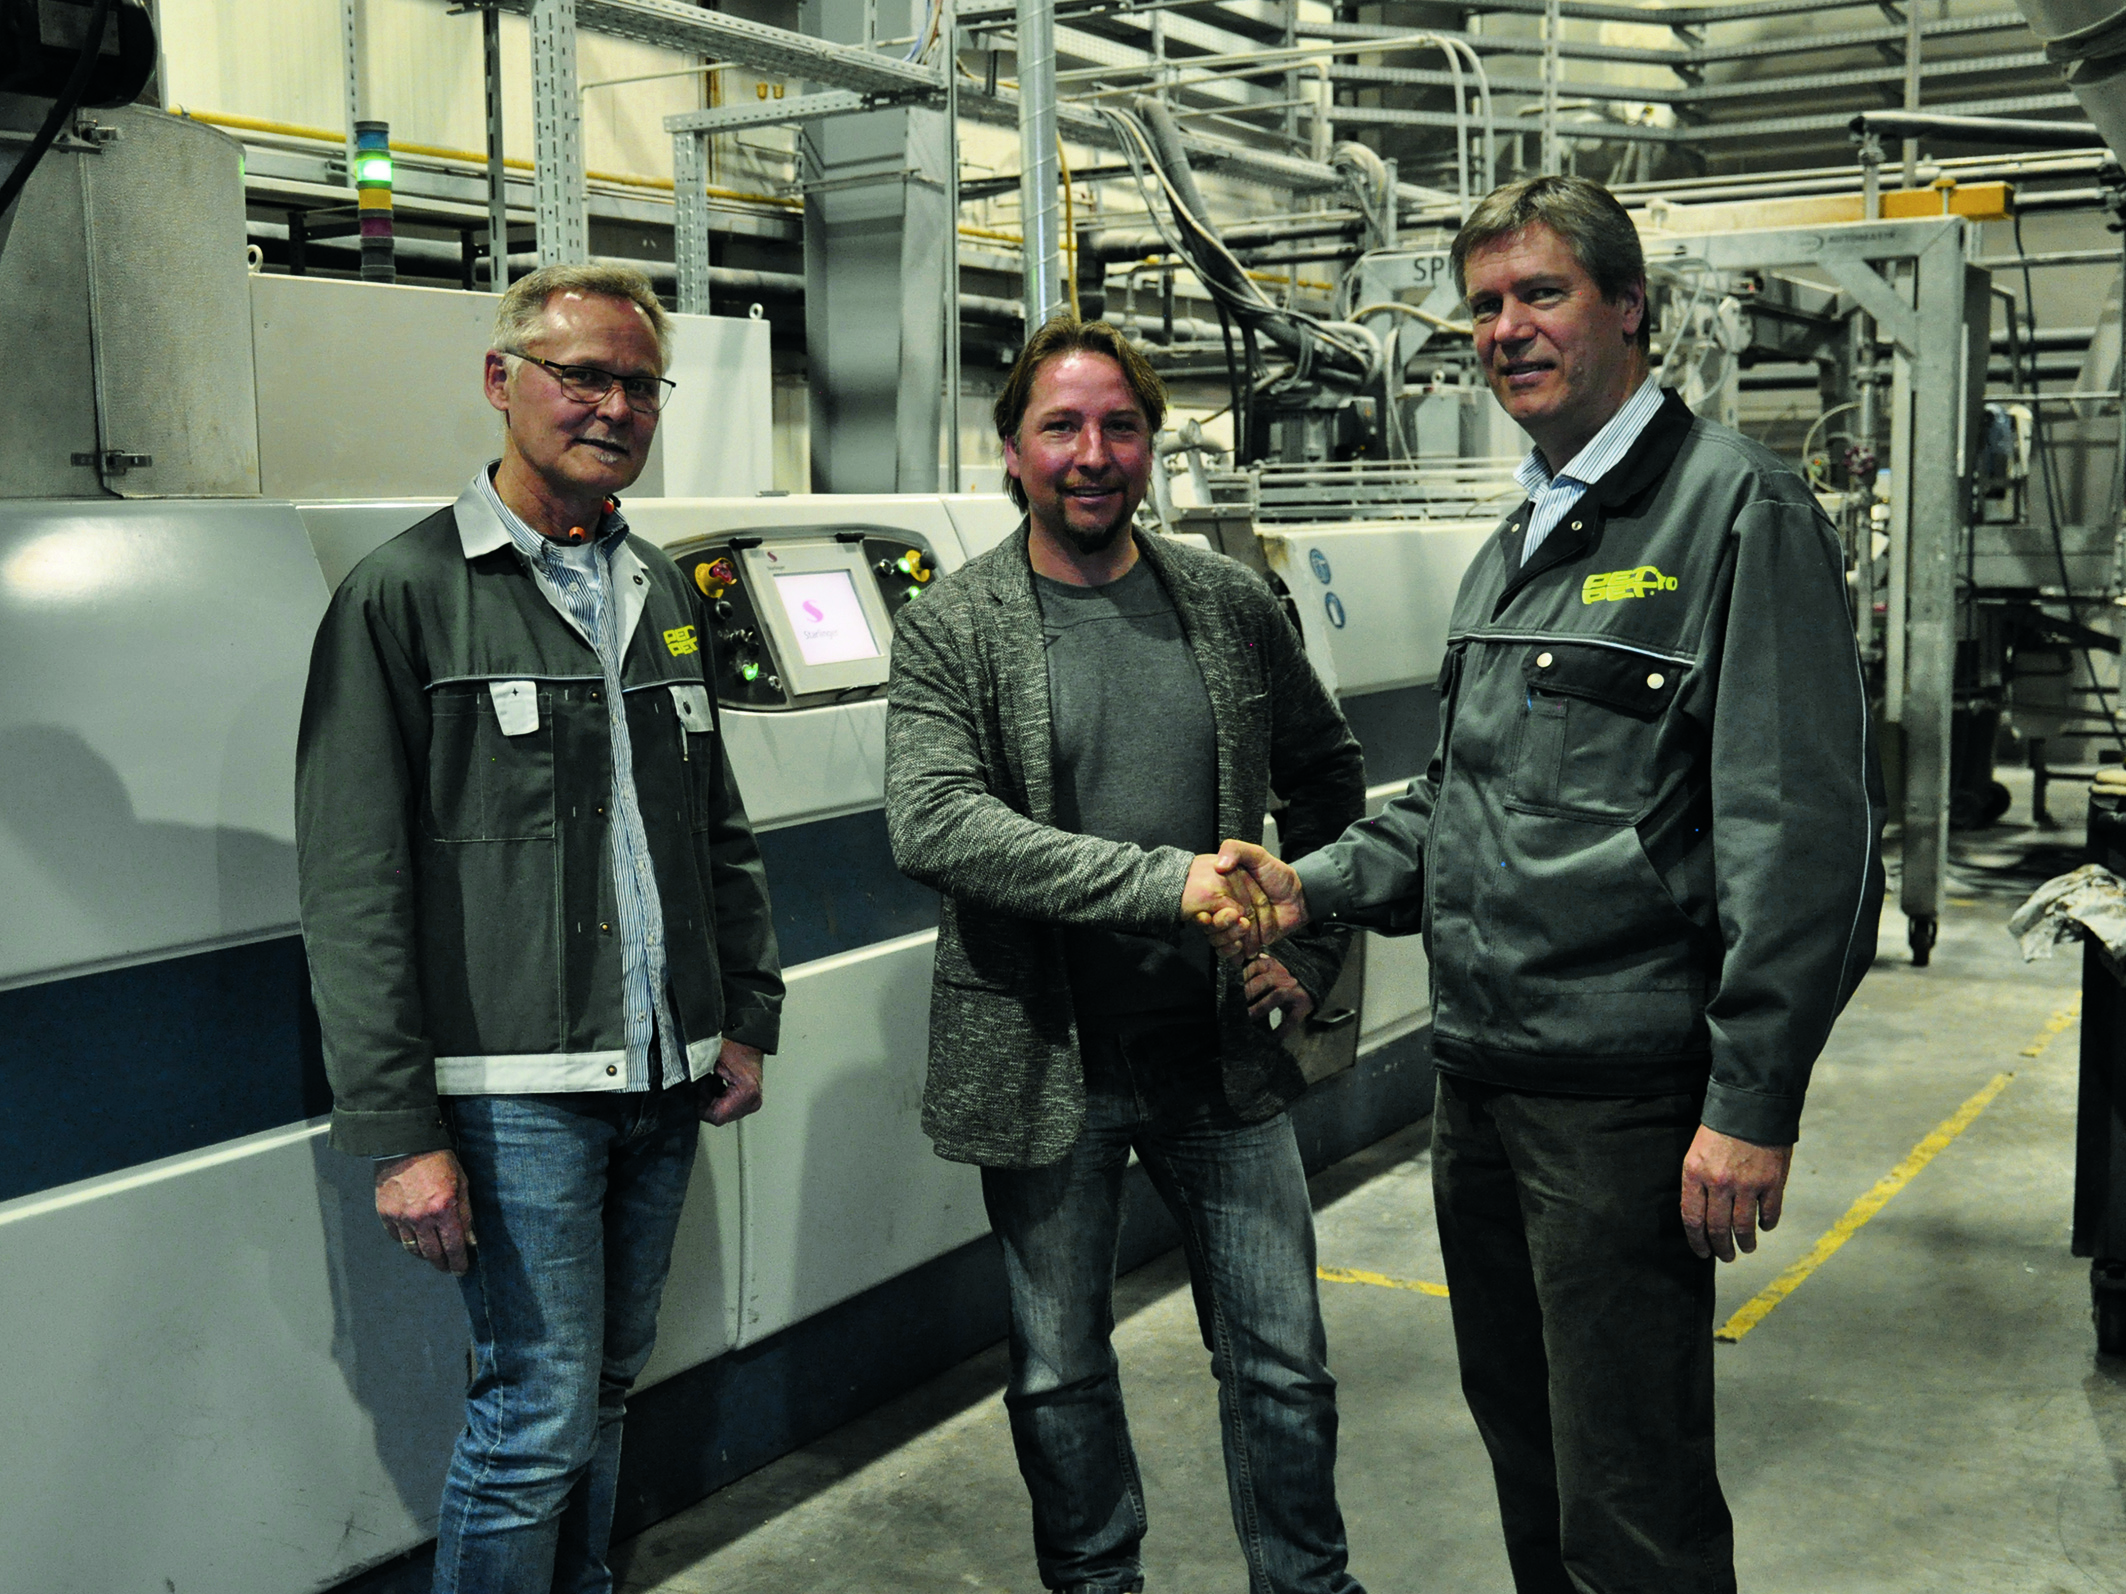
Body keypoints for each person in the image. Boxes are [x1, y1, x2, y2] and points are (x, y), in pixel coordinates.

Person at [1214, 176, 1886, 1593]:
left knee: (1628, 1501)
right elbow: (1458, 811)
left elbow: (1801, 841)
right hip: (1483, 1083)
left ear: (1629, 308)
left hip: (1618, 1100)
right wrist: (1302, 884)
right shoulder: (1515, 539)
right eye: (1482, 306)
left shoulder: (1734, 511)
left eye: (1540, 294)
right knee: (1528, 1457)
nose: (1505, 330)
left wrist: (1750, 1101)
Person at [295, 262, 783, 1594]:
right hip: (515, 1091)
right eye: (582, 376)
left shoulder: (661, 589)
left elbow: (713, 826)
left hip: (663, 1069)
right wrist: (400, 1130)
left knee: (602, 1390)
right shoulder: (404, 596)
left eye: (639, 385)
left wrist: (743, 1012)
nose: (613, 406)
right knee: (536, 1413)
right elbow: (352, 888)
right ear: (501, 381)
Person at [884, 317, 1369, 1594]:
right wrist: (1167, 882)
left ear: (1152, 445)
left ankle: (1305, 1583)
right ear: (1009, 449)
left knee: (1282, 1361)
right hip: (1046, 1062)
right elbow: (934, 821)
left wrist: (1308, 945)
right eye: (1060, 426)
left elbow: (1329, 781)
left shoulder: (1227, 603)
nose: (1091, 454)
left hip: (1219, 1058)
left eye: (1120, 426)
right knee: (1058, 1373)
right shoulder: (952, 625)